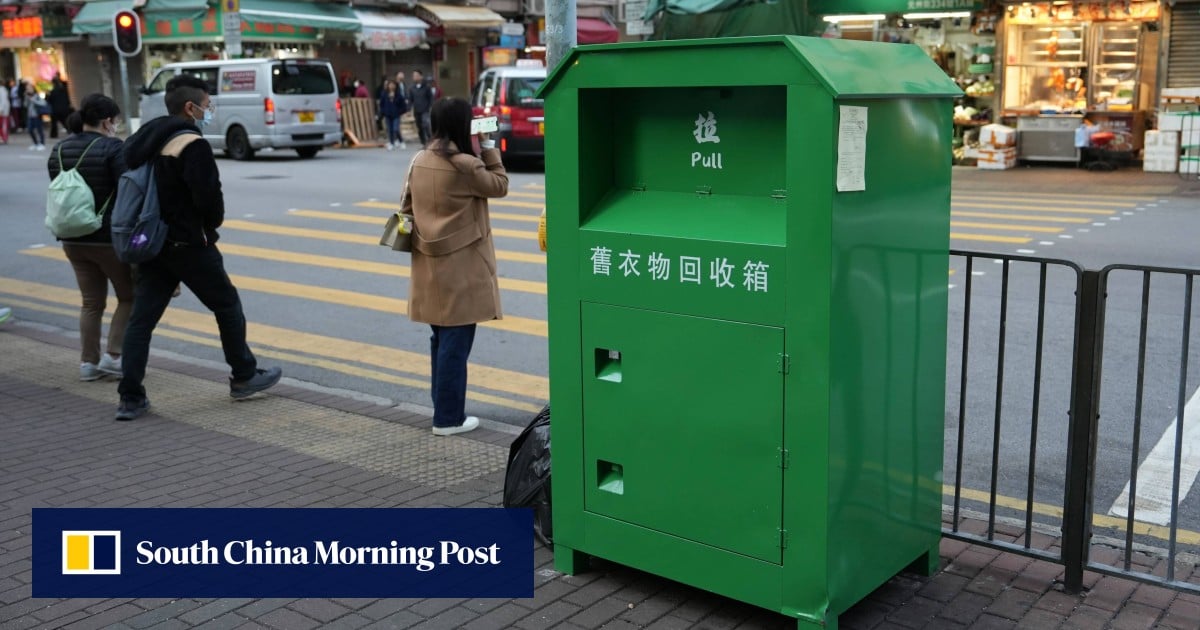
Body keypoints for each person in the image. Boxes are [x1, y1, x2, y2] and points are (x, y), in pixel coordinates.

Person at [116, 75, 281, 421]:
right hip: (190, 244)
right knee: (227, 305)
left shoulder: (146, 139)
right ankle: (243, 375)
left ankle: (130, 397)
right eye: (207, 105)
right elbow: (208, 198)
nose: (210, 111)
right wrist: (210, 225)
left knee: (141, 321)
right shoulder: (192, 144)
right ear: (190, 108)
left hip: (153, 243)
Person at [401, 97, 507, 436]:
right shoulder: (466, 166)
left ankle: (442, 406)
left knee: (441, 338)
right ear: (464, 126)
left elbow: (406, 206)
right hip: (461, 268)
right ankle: (448, 418)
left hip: (428, 266)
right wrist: (489, 146)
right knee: (455, 344)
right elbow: (500, 185)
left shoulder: (418, 160)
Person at [47, 94, 134, 382]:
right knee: (129, 296)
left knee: (91, 302)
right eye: (116, 120)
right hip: (106, 237)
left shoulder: (59, 149)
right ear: (108, 121)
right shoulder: (113, 148)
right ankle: (114, 355)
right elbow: (127, 191)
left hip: (72, 238)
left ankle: (88, 363)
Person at [379, 80, 408, 150]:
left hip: (396, 115)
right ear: (388, 86)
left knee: (396, 129)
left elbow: (403, 105)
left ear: (395, 86)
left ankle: (401, 141)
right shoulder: (384, 94)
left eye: (393, 85)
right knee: (390, 130)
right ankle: (391, 143)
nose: (391, 86)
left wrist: (400, 112)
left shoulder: (398, 95)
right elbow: (381, 104)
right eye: (390, 85)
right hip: (388, 115)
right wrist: (383, 112)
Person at [409, 70, 434, 147]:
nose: (415, 77)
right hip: (417, 111)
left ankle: (430, 140)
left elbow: (431, 98)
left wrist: (431, 107)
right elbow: (411, 100)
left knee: (426, 125)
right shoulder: (412, 88)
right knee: (419, 127)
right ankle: (423, 142)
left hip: (425, 110)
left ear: (421, 76)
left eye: (416, 75)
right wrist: (408, 109)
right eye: (413, 76)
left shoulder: (426, 87)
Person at [47, 75, 71, 139]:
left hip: (55, 109)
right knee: (64, 121)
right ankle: (70, 131)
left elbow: (49, 100)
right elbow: (67, 99)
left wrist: (47, 95)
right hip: (63, 108)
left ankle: (53, 134)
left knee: (54, 123)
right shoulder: (63, 89)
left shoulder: (53, 91)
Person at [25, 83, 46, 150]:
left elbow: (43, 103)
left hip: (37, 115)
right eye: (27, 88)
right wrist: (26, 98)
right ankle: (35, 143)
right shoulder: (27, 96)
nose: (28, 89)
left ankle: (42, 144)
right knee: (30, 130)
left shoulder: (37, 95)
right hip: (30, 115)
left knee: (39, 130)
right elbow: (25, 105)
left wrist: (33, 100)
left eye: (29, 88)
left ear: (33, 89)